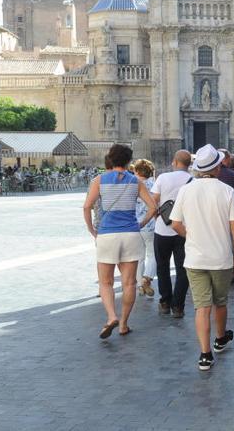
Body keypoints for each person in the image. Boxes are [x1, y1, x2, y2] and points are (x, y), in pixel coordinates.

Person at [169, 144, 234, 371]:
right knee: (220, 302)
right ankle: (220, 338)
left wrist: (189, 235)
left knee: (201, 306)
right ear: (218, 167)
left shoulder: (186, 189)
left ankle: (205, 354)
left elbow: (175, 224)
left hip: (194, 257)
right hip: (220, 257)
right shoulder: (226, 191)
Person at [82, 144, 156, 339]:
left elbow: (87, 206)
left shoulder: (99, 180)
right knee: (129, 283)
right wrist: (141, 223)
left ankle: (111, 317)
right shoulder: (135, 181)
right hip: (131, 234)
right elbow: (153, 207)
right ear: (128, 161)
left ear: (111, 159)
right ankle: (123, 323)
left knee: (105, 282)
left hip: (107, 235)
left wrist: (92, 229)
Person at [150, 150, 193, 318]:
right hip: (183, 230)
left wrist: (156, 217)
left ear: (175, 161)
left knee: (162, 267)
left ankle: (165, 301)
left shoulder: (163, 178)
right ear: (189, 164)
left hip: (162, 229)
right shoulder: (193, 181)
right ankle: (178, 306)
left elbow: (154, 202)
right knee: (183, 269)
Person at [132, 159, 158, 298]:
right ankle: (146, 278)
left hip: (135, 225)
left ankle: (140, 285)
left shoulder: (133, 185)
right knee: (152, 254)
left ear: (136, 171)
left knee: (139, 257)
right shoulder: (154, 185)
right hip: (150, 225)